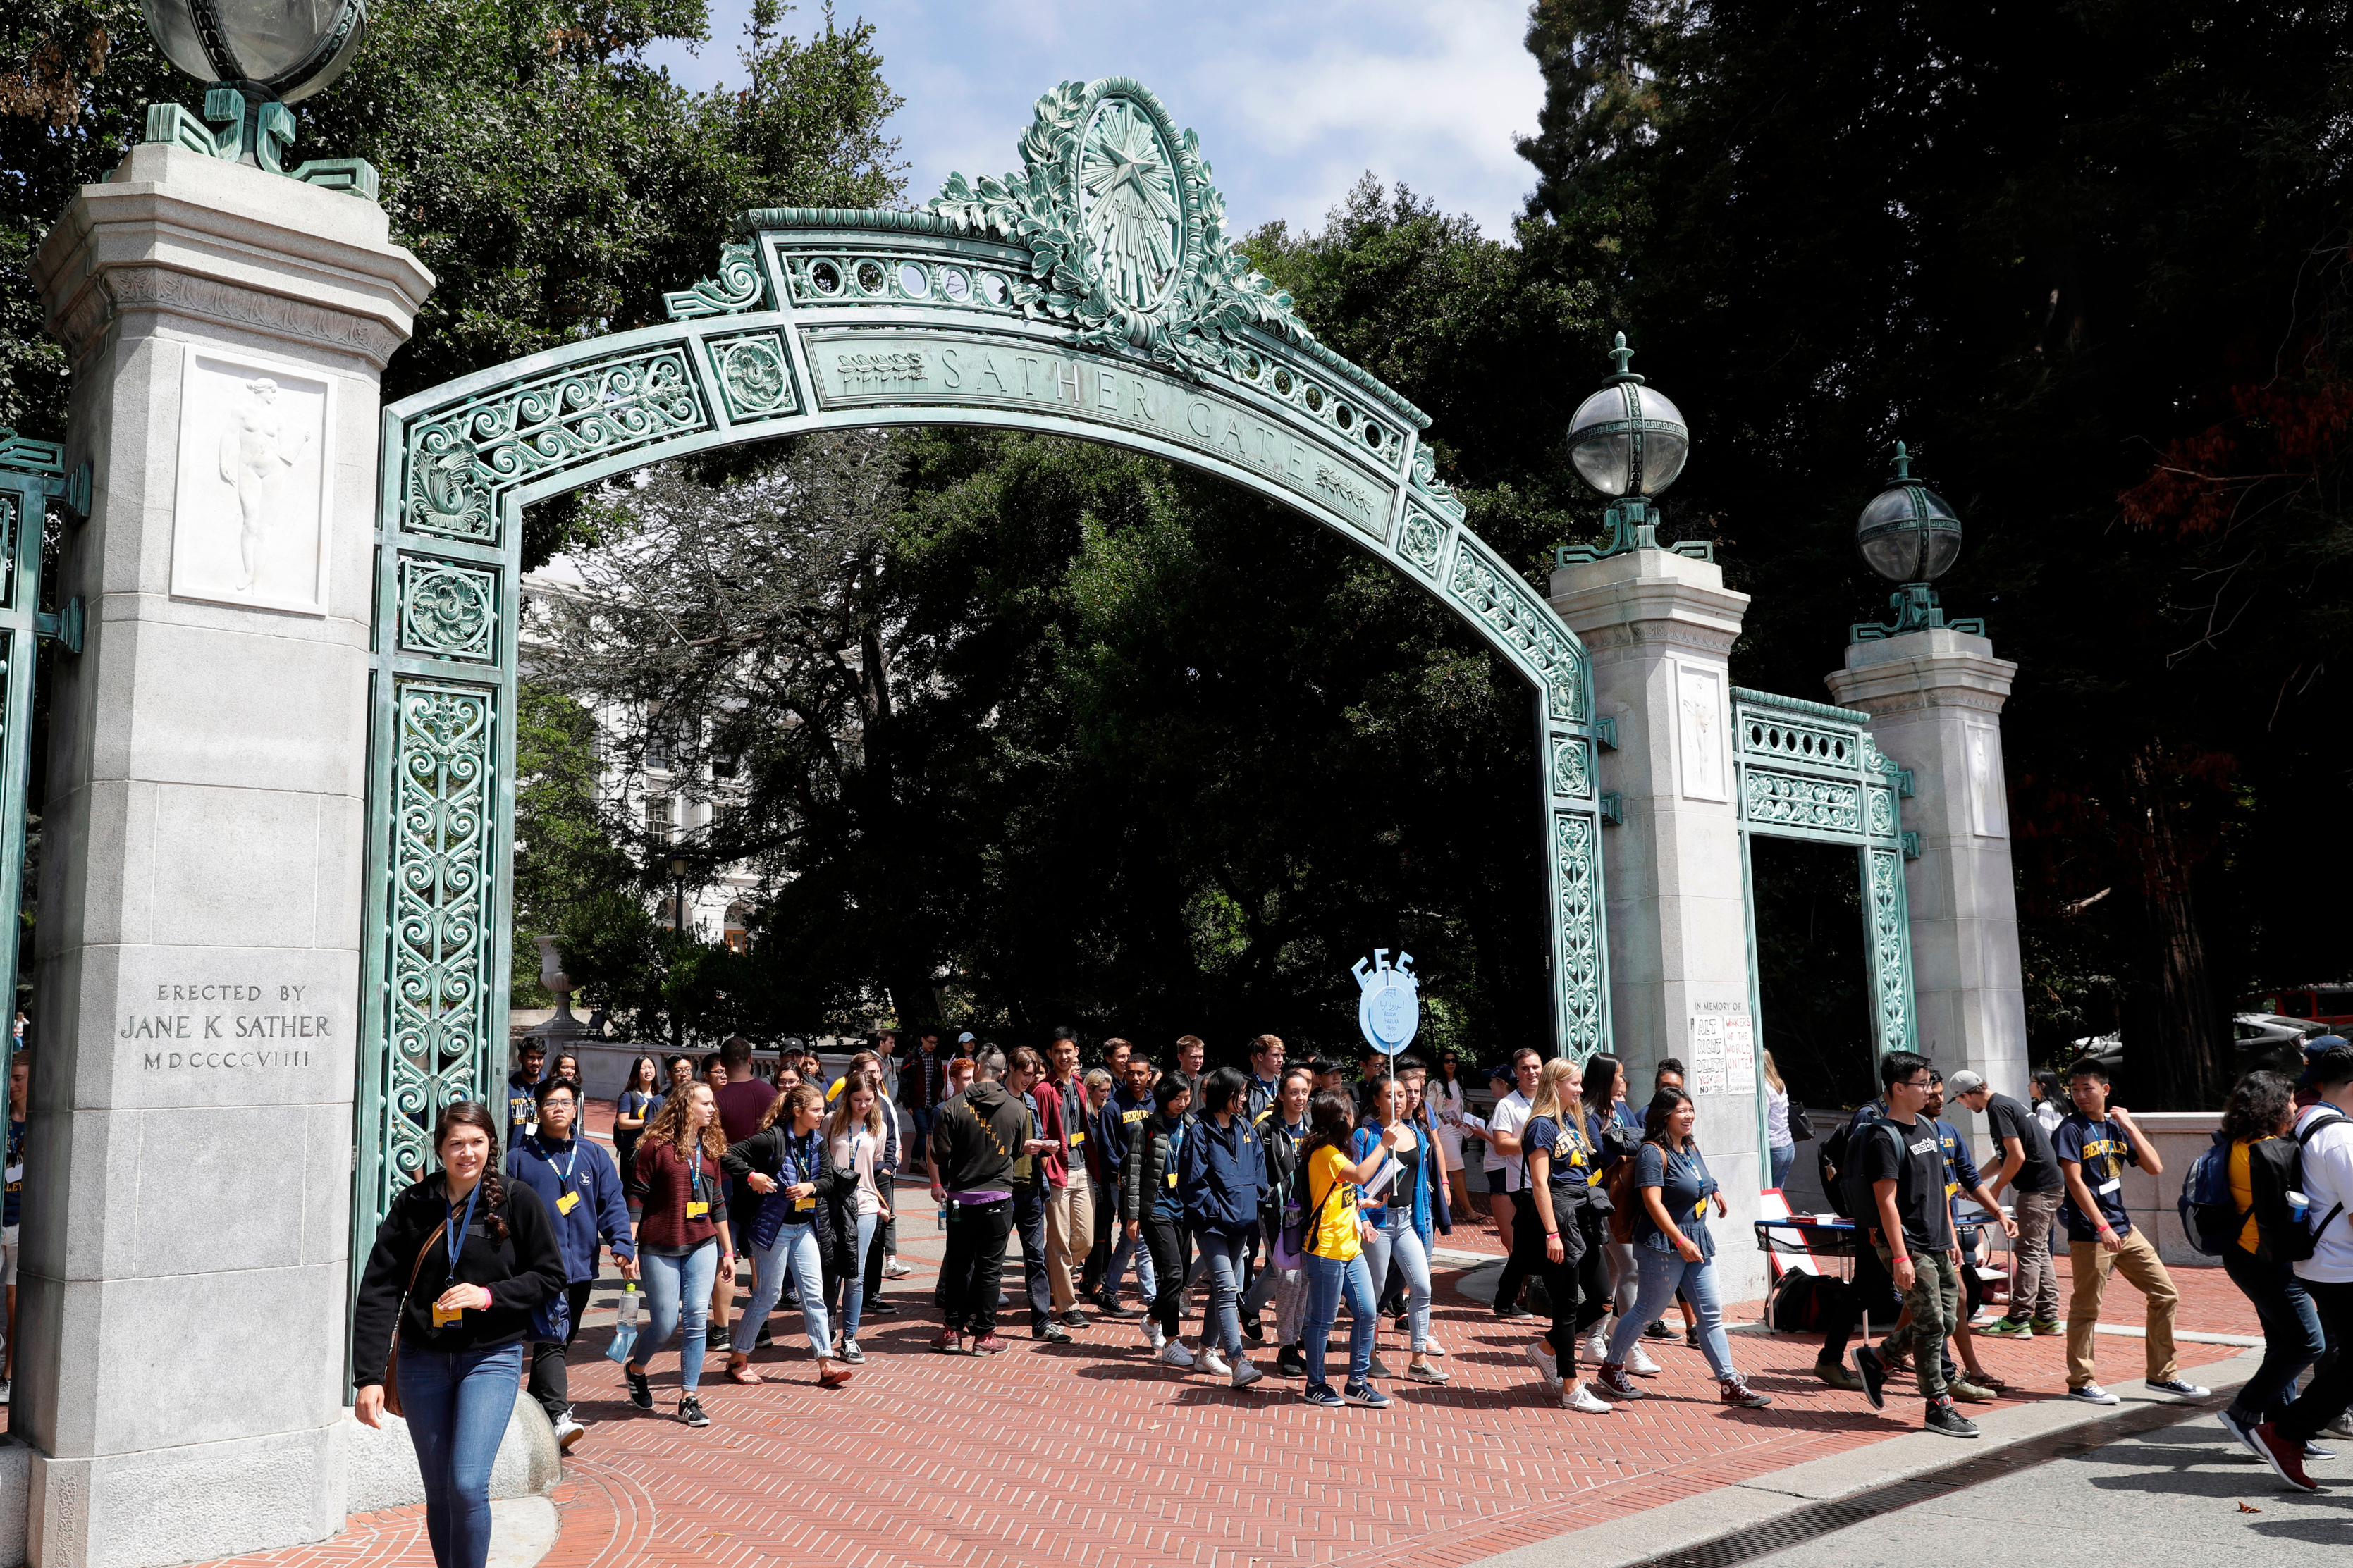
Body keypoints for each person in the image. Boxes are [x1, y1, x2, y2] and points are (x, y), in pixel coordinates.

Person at [352, 1102, 565, 1568]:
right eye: (456, 1143)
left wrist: (489, 1295)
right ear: (440, 1149)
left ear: (491, 1145)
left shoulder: (516, 1199)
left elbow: (550, 1275)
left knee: (467, 1483)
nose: (467, 1152)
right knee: (440, 1489)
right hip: (421, 1360)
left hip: (490, 1357)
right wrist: (367, 1376)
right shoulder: (415, 1204)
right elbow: (379, 1289)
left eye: (476, 1142)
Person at [1596, 1088, 1772, 1410]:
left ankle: (1729, 1382)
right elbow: (1652, 1202)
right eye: (1682, 1111)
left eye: (1690, 1109)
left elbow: (1701, 1177)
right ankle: (1612, 1367)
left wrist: (1715, 1190)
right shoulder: (1652, 1152)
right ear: (1664, 1115)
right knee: (1648, 1311)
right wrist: (1679, 1239)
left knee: (1711, 1313)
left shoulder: (1689, 1146)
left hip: (1697, 1239)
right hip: (1663, 1243)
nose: (1689, 1115)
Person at [2053, 1056, 2206, 1405]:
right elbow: (2074, 1182)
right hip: (2092, 1231)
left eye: (2087, 1089)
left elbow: (2155, 1166)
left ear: (2105, 1090)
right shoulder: (2070, 1129)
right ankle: (2080, 1382)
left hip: (2124, 1227)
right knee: (2087, 1308)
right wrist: (2101, 1226)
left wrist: (2130, 1124)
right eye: (2074, 1090)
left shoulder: (2116, 1127)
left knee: (2165, 1293)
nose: (2080, 1095)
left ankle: (2162, 1376)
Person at [1841, 1051, 1978, 1436]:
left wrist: (1949, 1235)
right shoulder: (1884, 1137)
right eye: (1922, 1084)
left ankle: (1879, 1360)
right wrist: (1900, 1255)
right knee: (1933, 1324)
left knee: (1947, 1318)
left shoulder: (1929, 1128)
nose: (1930, 1090)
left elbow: (1940, 1188)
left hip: (1936, 1241)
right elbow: (1886, 1201)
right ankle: (1937, 1405)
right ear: (1898, 1088)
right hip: (1909, 1245)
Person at [505, 1078, 635, 1450]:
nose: (558, 1108)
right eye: (550, 1103)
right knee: (551, 1336)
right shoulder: (519, 1160)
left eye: (565, 1102)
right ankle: (559, 1416)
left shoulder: (593, 1155)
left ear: (575, 1108)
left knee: (561, 1338)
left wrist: (622, 1243)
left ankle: (533, 1410)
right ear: (538, 1110)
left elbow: (612, 1202)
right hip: (541, 1268)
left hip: (581, 1266)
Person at [2204, 1071, 2328, 1464]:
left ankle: (2280, 1431)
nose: (2296, 1106)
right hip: (2266, 1261)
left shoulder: (2236, 1142)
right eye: (2290, 1100)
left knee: (2283, 1343)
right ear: (2273, 1105)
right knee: (2310, 1342)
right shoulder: (2266, 1151)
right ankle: (2243, 1410)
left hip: (2249, 1257)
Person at [2251, 1045, 2353, 1490]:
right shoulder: (2343, 1137)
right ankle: (2286, 1432)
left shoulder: (2308, 1119)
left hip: (2319, 1261)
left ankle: (2287, 1432)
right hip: (2342, 1266)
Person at [718, 1084, 852, 1388]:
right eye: (816, 1110)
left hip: (805, 1226)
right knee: (767, 1295)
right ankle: (738, 1360)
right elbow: (728, 1155)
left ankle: (825, 1363)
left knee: (813, 1295)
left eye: (822, 1109)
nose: (823, 1114)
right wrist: (752, 1176)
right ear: (797, 1111)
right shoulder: (773, 1138)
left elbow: (829, 1180)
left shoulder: (817, 1142)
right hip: (772, 1228)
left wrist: (811, 1187)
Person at [625, 1081, 736, 1426]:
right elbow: (636, 1198)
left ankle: (689, 1396)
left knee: (694, 1321)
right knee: (663, 1323)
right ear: (686, 1106)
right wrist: (629, 1247)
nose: (713, 1109)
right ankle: (636, 1368)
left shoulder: (711, 1147)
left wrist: (728, 1250)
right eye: (706, 1103)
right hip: (660, 1244)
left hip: (702, 1243)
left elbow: (717, 1202)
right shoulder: (655, 1147)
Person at [1518, 1058, 1612, 1412]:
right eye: (1574, 1083)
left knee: (1603, 1299)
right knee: (1567, 1304)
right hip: (1560, 1217)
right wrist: (1552, 1233)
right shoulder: (1540, 1127)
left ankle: (1545, 1350)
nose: (1581, 1089)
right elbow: (1541, 1183)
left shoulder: (1574, 1121)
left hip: (1585, 1214)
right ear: (1556, 1085)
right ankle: (1571, 1387)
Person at [1297, 1088, 1397, 1410]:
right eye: (1351, 1114)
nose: (1355, 1120)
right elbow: (1360, 1174)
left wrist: (1360, 1209)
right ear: (1340, 1120)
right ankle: (1316, 1384)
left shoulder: (1337, 1150)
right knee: (1323, 1323)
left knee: (1368, 1312)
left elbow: (1342, 1192)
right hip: (1325, 1250)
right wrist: (1384, 1144)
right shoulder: (1324, 1152)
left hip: (1350, 1248)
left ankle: (1357, 1383)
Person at [1921, 1073, 2017, 1400]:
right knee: (1956, 1298)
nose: (1936, 1100)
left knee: (1926, 1306)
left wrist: (2000, 1212)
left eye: (1938, 1094)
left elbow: (1971, 1179)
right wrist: (1949, 1239)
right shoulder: (1913, 1137)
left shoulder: (1950, 1133)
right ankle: (1963, 1372)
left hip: (1945, 1230)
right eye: (1930, 1094)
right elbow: (1933, 1195)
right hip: (1926, 1235)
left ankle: (1886, 1356)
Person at [1953, 1068, 2066, 1339]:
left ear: (1969, 1095)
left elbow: (2016, 1156)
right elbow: (2004, 1157)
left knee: (2028, 1252)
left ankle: (2017, 1319)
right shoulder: (2006, 1103)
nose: (1965, 1106)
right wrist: (1973, 1182)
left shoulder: (1997, 1109)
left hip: (2037, 1189)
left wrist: (1993, 1191)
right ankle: (2047, 1317)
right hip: (2050, 1185)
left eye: (1961, 1101)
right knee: (2037, 1251)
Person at [1179, 1066, 1272, 1386]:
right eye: (1240, 1093)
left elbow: (1260, 1173)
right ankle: (1238, 1360)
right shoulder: (1199, 1132)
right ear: (1224, 1094)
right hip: (1212, 1226)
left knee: (1224, 1291)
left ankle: (1206, 1350)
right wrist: (1217, 1212)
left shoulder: (1246, 1127)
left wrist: (1253, 1203)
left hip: (1242, 1223)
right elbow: (1193, 1184)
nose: (1245, 1099)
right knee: (1228, 1288)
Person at [1351, 1075, 1447, 1384]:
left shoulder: (1416, 1134)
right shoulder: (1365, 1134)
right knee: (1374, 1293)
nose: (1399, 1100)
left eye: (1403, 1094)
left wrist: (1424, 1222)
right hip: (1376, 1223)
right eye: (1391, 1095)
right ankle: (1368, 1353)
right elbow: (1354, 1182)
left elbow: (1420, 1185)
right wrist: (1363, 1219)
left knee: (1422, 1287)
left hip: (1406, 1221)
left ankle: (1418, 1359)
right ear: (1377, 1100)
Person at [930, 1045, 1026, 1354]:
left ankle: (951, 1331)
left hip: (960, 1198)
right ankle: (984, 1336)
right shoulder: (1016, 1107)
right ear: (1002, 1072)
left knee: (959, 1264)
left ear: (979, 1067)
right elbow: (1019, 1148)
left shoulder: (953, 1106)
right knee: (989, 1267)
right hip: (998, 1198)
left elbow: (939, 1152)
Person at [1578, 1054, 1652, 1367]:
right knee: (1631, 1268)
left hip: (1629, 1200)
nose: (1624, 1080)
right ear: (1606, 1077)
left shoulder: (1622, 1110)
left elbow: (1644, 1145)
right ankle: (1629, 1346)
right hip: (1605, 1201)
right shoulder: (1588, 1114)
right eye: (1619, 1074)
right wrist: (1627, 1152)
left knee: (1612, 1270)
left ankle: (1594, 1341)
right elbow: (1602, 1156)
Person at [1246, 1065, 1317, 1377]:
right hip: (1278, 1214)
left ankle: (1288, 1331)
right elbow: (1257, 1170)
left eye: (1304, 1091)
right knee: (1288, 1278)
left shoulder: (1313, 1124)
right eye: (1293, 1092)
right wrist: (1267, 1200)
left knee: (1301, 1279)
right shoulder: (1266, 1128)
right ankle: (1286, 1346)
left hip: (1309, 1213)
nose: (1300, 1098)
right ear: (1281, 1094)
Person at [1125, 1075, 1200, 1366]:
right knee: (1172, 1275)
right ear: (1164, 1096)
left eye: (1187, 1098)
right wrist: (1132, 1216)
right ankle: (1172, 1342)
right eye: (1177, 1098)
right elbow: (1132, 1174)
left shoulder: (1192, 1127)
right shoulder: (1143, 1128)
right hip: (1156, 1210)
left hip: (1184, 1210)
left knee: (1178, 1278)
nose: (1183, 1104)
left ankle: (1153, 1318)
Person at [1002, 1048, 1070, 1343]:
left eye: (1033, 1074)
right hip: (1002, 1190)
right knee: (990, 1259)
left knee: (1036, 1257)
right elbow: (991, 1146)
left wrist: (1045, 1146)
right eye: (1025, 1074)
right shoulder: (997, 1101)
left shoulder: (1029, 1101)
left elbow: (1036, 1137)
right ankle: (978, 1320)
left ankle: (1041, 1321)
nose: (1029, 1080)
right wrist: (1022, 1148)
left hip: (1030, 1188)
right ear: (1011, 1069)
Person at [823, 1078, 892, 1364]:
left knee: (856, 1274)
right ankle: (827, 1331)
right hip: (833, 1203)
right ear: (846, 1098)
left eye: (868, 1100)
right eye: (857, 1100)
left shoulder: (879, 1127)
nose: (863, 1106)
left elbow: (871, 1167)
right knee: (831, 1273)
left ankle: (849, 1338)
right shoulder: (830, 1122)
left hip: (864, 1204)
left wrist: (879, 1204)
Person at [1098, 1054, 1160, 1316]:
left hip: (1150, 1182)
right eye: (1131, 1072)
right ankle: (1154, 1303)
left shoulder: (1156, 1105)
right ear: (1124, 1074)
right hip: (1122, 1183)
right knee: (1141, 1238)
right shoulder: (1113, 1107)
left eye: (1141, 1073)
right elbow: (1106, 1150)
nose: (1135, 1078)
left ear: (1149, 1076)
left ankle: (1108, 1292)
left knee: (1128, 1239)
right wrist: (1124, 1177)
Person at [1042, 1028, 1094, 1329]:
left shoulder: (1078, 1086)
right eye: (1059, 1051)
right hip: (1057, 1172)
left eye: (1069, 1051)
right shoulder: (1045, 1089)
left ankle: (1053, 1276)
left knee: (1084, 1240)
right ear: (1051, 1054)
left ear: (1076, 1053)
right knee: (1059, 1241)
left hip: (1081, 1168)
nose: (1064, 1056)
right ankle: (1067, 1306)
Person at [1483, 1048, 1542, 1314]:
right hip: (1524, 1186)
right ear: (1516, 1074)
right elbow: (1501, 1145)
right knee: (1524, 1248)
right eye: (1525, 1068)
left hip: (1553, 1183)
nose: (1531, 1072)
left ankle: (1506, 1301)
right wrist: (1534, 1143)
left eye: (1535, 1067)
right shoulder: (1507, 1105)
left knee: (1526, 1248)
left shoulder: (1551, 1100)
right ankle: (1508, 1300)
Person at [1077, 1066, 1130, 1311]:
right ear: (1090, 1089)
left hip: (1106, 1178)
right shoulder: (1085, 1116)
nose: (1106, 1095)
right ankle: (1096, 1283)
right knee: (1097, 1233)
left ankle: (1090, 1278)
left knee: (1105, 1229)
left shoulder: (1103, 1113)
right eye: (1102, 1091)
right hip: (1091, 1178)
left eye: (1109, 1091)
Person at [613, 1055, 663, 1208]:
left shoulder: (660, 1096)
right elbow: (622, 1123)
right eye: (643, 1068)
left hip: (655, 1150)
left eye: (651, 1067)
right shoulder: (629, 1096)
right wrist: (648, 1123)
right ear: (637, 1071)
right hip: (633, 1151)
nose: (648, 1071)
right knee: (632, 1191)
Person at [1430, 1051, 1472, 1217]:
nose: (1451, 1064)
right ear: (1441, 1063)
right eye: (1447, 1061)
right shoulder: (1435, 1084)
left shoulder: (1458, 1080)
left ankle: (1440, 1209)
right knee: (1459, 1171)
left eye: (1453, 1060)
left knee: (1445, 1171)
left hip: (1457, 1130)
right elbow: (1429, 1108)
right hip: (1444, 1131)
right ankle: (1469, 1211)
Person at [1762, 1051, 1796, 1192]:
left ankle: (1779, 1215)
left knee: (1769, 1193)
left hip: (1774, 1146)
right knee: (1777, 1191)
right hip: (1787, 1144)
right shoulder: (1778, 1084)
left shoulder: (1764, 1087)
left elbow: (1763, 1116)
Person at [505, 1042, 546, 1144]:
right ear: (520, 1059)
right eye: (531, 1058)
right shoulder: (508, 1089)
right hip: (513, 1154)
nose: (536, 1063)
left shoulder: (549, 1088)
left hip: (542, 1155)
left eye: (540, 1058)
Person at [1246, 1035, 1286, 1121]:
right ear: (1260, 1057)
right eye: (1275, 1055)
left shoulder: (1284, 1084)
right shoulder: (1246, 1086)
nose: (1281, 1060)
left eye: (1282, 1055)